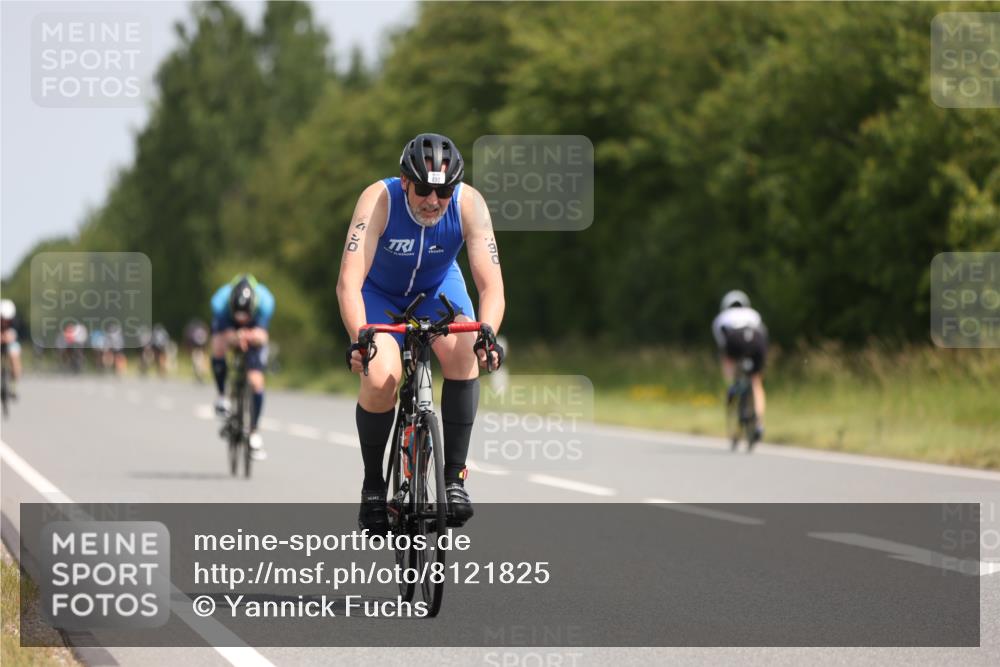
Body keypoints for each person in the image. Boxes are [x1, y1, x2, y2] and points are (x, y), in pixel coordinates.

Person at [337, 132, 505, 535]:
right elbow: (348, 281)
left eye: (444, 190)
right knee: (381, 379)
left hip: (437, 290)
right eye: (425, 189)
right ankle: (374, 486)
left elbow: (492, 287)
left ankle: (454, 481)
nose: (434, 200)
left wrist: (488, 333)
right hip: (380, 296)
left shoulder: (469, 204)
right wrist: (360, 336)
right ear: (405, 181)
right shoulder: (378, 200)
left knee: (466, 350)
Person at [210, 274, 275, 461]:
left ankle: (254, 432)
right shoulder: (219, 302)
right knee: (219, 346)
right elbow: (224, 333)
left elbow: (263, 336)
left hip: (255, 329)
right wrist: (235, 337)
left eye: (245, 315)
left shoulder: (266, 301)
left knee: (256, 382)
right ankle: (222, 396)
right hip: (226, 325)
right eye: (239, 315)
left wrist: (250, 336)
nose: (242, 319)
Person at [712, 290, 768, 443]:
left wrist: (731, 364)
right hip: (757, 340)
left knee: (727, 358)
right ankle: (758, 423)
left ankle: (732, 386)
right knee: (756, 382)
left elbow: (723, 345)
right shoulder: (753, 313)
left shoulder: (721, 318)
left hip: (735, 338)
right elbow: (763, 332)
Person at [1, 299, 23, 394]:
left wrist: (7, 338)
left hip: (12, 343)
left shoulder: (15, 321)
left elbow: (13, 336)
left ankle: (14, 383)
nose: (5, 321)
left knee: (15, 357)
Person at [184, 318, 210, 383]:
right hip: (201, 349)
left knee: (197, 364)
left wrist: (189, 350)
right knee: (199, 364)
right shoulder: (203, 330)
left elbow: (190, 341)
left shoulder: (193, 331)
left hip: (196, 349)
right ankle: (199, 376)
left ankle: (199, 376)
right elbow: (205, 341)